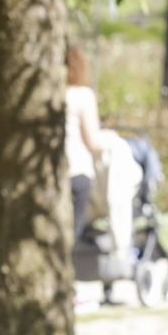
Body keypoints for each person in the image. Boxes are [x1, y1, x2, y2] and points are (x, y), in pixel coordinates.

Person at [67, 46, 105, 243]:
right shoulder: (83, 95)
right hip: (77, 172)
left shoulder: (48, 96)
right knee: (72, 234)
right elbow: (93, 140)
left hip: (52, 174)